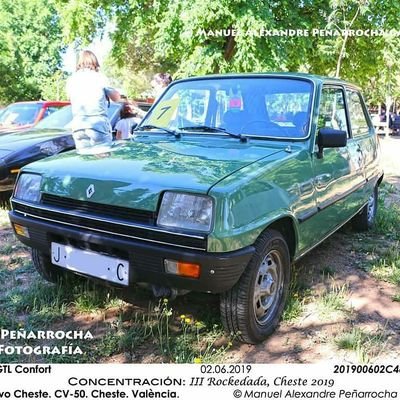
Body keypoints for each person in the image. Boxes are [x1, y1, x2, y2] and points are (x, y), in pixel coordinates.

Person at [66, 50, 120, 152]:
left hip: (78, 125)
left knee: (84, 161)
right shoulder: (99, 77)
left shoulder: (72, 79)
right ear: (94, 62)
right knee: (102, 160)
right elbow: (116, 98)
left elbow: (70, 99)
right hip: (97, 124)